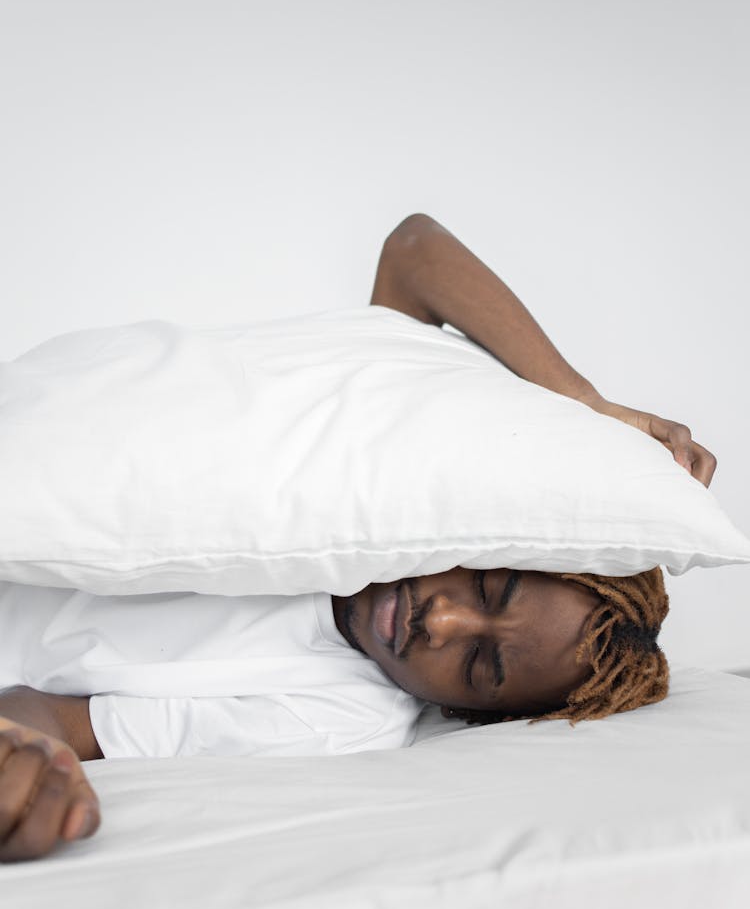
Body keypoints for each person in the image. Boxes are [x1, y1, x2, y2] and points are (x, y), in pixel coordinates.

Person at [0, 214, 716, 863]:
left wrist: (25, 750)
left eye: (481, 664)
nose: (443, 621)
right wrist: (581, 401)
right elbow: (414, 251)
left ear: (467, 711)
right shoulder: (377, 452)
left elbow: (66, 718)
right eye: (487, 582)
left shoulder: (339, 719)